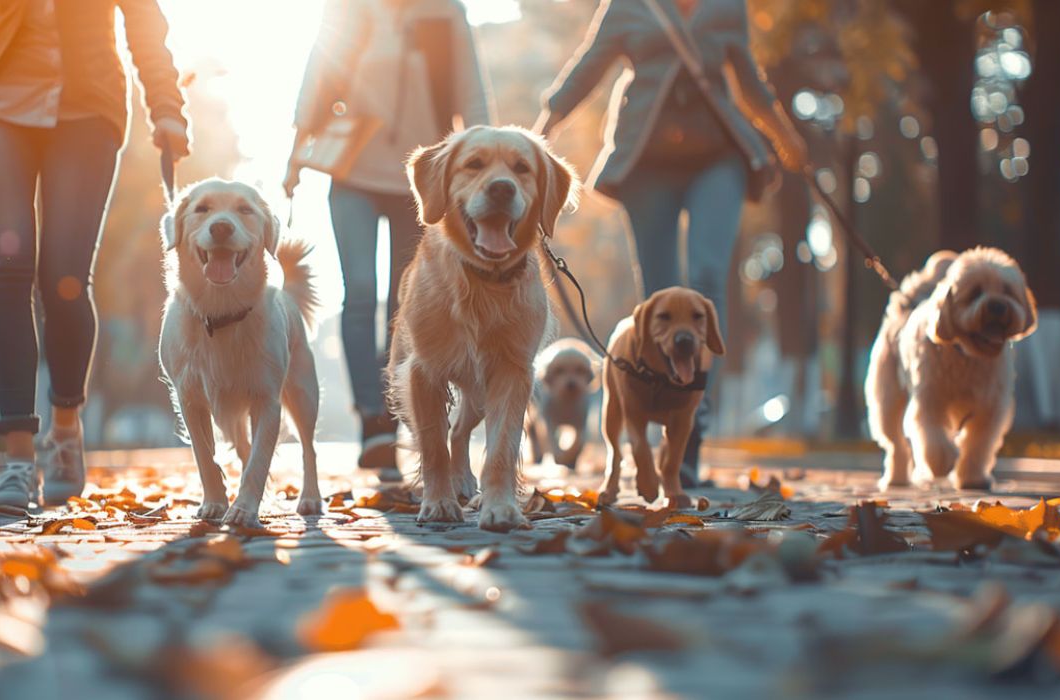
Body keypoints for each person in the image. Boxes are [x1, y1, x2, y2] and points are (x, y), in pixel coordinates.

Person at [0, 0, 190, 509]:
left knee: (65, 278)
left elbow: (144, 19)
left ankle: (64, 428)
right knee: (8, 269)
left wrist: (165, 106)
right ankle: (18, 462)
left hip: (88, 109)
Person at [535, 0, 807, 483]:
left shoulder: (727, 7)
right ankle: (659, 419)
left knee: (706, 279)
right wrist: (544, 129)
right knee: (658, 299)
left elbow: (747, 77)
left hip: (718, 158)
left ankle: (692, 426)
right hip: (646, 161)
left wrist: (782, 134)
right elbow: (589, 65)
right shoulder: (628, 6)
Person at [286, 0, 492, 480]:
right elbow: (317, 75)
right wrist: (295, 155)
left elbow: (472, 91)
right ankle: (373, 425)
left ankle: (407, 418)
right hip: (352, 173)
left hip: (421, 184)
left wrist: (488, 159)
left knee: (408, 308)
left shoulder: (446, 14)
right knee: (359, 292)